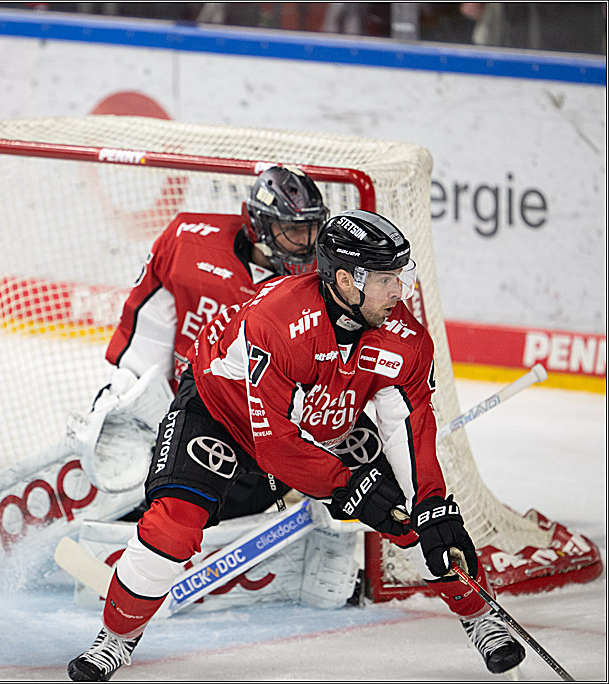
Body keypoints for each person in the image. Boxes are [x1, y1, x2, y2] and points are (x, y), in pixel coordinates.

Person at [67, 209, 526, 681]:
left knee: (418, 519)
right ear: (346, 280)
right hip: (222, 415)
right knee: (172, 528)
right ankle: (116, 638)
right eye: (386, 280)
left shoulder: (405, 340)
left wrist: (429, 502)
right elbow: (276, 447)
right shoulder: (278, 321)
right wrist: (348, 486)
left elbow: (409, 431)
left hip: (324, 420)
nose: (399, 292)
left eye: (399, 277)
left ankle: (481, 618)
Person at [70, 165, 331, 516]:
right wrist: (122, 394)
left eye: (311, 228)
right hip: (185, 410)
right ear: (259, 225)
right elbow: (147, 335)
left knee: (196, 507)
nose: (307, 242)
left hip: (263, 429)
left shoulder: (323, 280)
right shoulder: (188, 242)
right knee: (136, 481)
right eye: (293, 229)